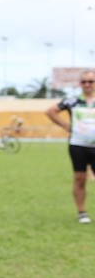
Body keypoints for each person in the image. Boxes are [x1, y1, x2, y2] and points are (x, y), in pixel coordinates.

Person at [46, 69, 95, 224]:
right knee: (80, 179)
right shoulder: (72, 101)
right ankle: (82, 212)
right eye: (84, 81)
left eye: (91, 81)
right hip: (77, 145)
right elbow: (51, 111)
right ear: (80, 84)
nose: (87, 84)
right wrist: (66, 126)